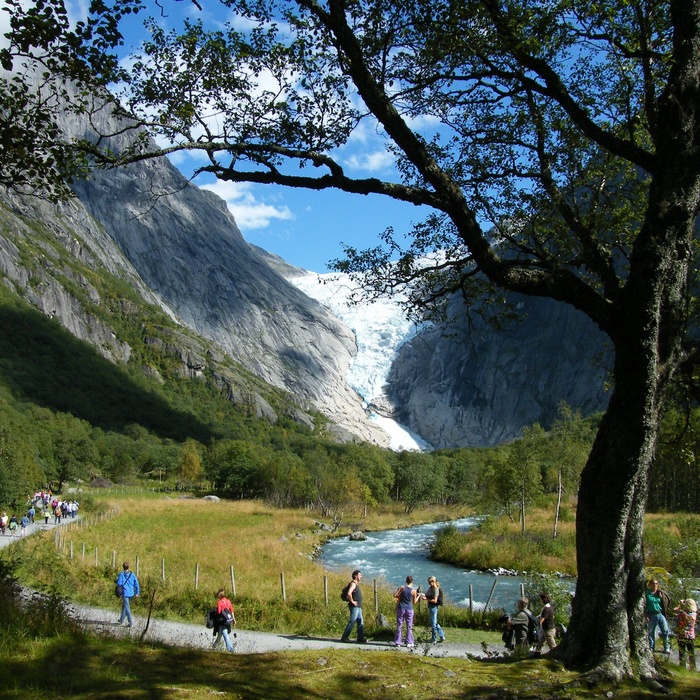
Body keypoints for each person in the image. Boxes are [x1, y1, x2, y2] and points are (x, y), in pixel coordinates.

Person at [393, 575, 421, 647]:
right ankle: (409, 641)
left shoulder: (402, 588)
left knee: (399, 625)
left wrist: (399, 592)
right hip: (409, 608)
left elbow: (395, 595)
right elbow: (414, 602)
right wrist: (418, 596)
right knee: (409, 625)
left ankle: (398, 642)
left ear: (406, 581)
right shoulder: (413, 591)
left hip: (401, 608)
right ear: (412, 581)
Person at [340, 569, 366, 643]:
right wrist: (352, 601)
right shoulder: (353, 584)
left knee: (360, 621)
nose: (361, 576)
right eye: (360, 575)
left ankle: (360, 638)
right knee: (352, 621)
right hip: (354, 606)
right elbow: (349, 593)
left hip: (358, 607)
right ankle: (344, 637)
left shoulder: (356, 584)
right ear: (355, 576)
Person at [646, 578, 671, 653]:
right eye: (653, 583)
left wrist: (661, 598)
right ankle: (651, 647)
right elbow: (644, 605)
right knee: (651, 632)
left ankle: (667, 647)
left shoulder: (660, 593)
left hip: (660, 613)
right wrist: (646, 615)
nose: (655, 585)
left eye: (656, 583)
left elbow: (667, 601)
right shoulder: (647, 594)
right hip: (651, 613)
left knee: (665, 630)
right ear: (650, 585)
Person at [116, 561, 140, 628]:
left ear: (123, 567)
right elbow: (136, 584)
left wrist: (117, 581)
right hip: (131, 593)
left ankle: (130, 622)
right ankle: (121, 620)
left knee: (127, 607)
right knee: (124, 606)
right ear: (128, 567)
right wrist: (137, 593)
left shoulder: (121, 574)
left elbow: (119, 584)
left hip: (125, 593)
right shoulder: (132, 574)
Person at [675, 598, 697, 670]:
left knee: (682, 653)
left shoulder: (682, 614)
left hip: (682, 635)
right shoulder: (694, 614)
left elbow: (676, 611)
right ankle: (693, 667)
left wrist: (680, 605)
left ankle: (682, 666)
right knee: (691, 653)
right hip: (691, 636)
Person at [425, 575, 446, 643]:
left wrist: (427, 599)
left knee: (433, 623)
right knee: (434, 622)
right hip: (431, 606)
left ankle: (434, 638)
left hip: (433, 607)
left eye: (430, 582)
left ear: (433, 582)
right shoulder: (430, 588)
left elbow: (435, 600)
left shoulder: (436, 589)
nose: (429, 584)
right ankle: (442, 635)